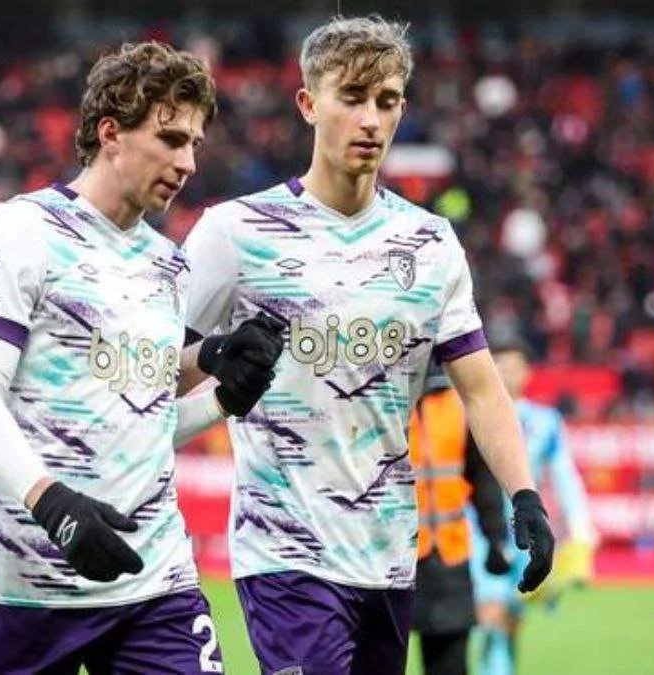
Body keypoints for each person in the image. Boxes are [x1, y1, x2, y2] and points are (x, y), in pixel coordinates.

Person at [182, 16, 555, 675]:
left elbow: (480, 388)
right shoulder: (236, 233)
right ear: (308, 104)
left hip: (389, 554)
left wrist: (524, 494)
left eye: (386, 101)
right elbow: (158, 368)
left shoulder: (430, 244)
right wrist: (213, 358)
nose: (370, 120)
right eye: (352, 97)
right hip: (284, 552)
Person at [0, 41, 284, 674]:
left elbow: (142, 422)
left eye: (194, 145)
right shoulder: (20, 232)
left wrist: (220, 387)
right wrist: (51, 503)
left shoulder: (169, 265)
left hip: (153, 585)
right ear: (111, 133)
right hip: (23, 587)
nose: (187, 162)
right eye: (170, 139)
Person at [470, 341, 598, 675]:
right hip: (479, 527)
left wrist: (581, 530)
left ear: (527, 372)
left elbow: (565, 476)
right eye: (497, 366)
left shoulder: (546, 421)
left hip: (525, 529)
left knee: (511, 619)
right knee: (491, 612)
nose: (505, 373)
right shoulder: (471, 414)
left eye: (512, 366)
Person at [409, 366, 509, 675]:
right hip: (387, 559)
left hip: (447, 556)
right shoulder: (380, 402)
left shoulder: (458, 407)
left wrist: (496, 538)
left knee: (450, 664)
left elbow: (483, 479)